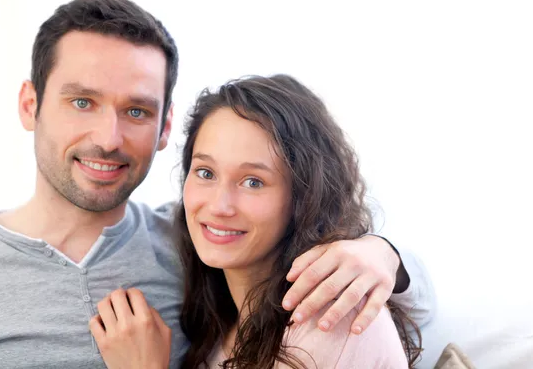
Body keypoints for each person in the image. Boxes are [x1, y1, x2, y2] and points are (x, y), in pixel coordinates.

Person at [0, 0, 434, 368]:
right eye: (81, 102)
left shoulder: (198, 244)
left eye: (136, 110)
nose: (108, 137)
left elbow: (409, 303)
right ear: (30, 105)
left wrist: (381, 254)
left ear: (164, 128)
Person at [93, 74, 421, 368]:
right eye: (205, 173)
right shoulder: (224, 327)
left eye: (253, 182)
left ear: (303, 197)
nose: (219, 205)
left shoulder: (331, 320)